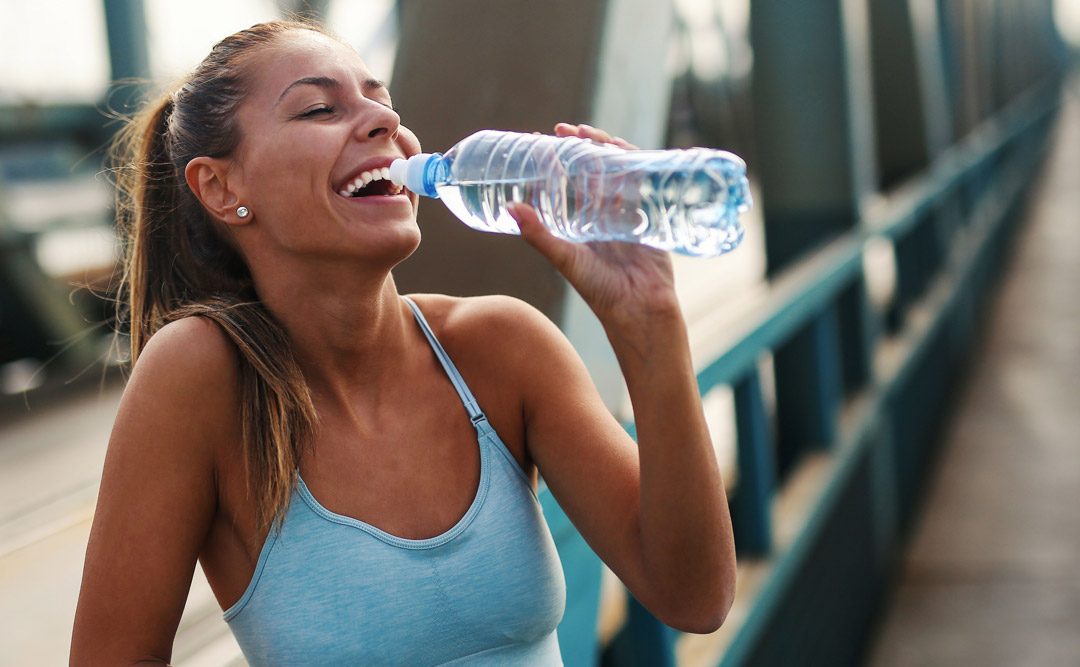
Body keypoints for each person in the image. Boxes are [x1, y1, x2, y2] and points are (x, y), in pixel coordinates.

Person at [70, 19, 736, 665]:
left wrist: (651, 323)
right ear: (222, 186)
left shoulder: (500, 347)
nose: (384, 122)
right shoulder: (199, 376)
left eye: (381, 98)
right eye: (319, 110)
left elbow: (694, 596)